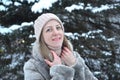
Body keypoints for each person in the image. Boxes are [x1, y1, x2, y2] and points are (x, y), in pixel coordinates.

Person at [23, 13, 98, 80]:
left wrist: (75, 65)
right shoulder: (33, 67)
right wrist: (59, 71)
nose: (56, 32)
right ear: (41, 37)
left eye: (58, 28)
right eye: (49, 30)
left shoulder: (74, 57)